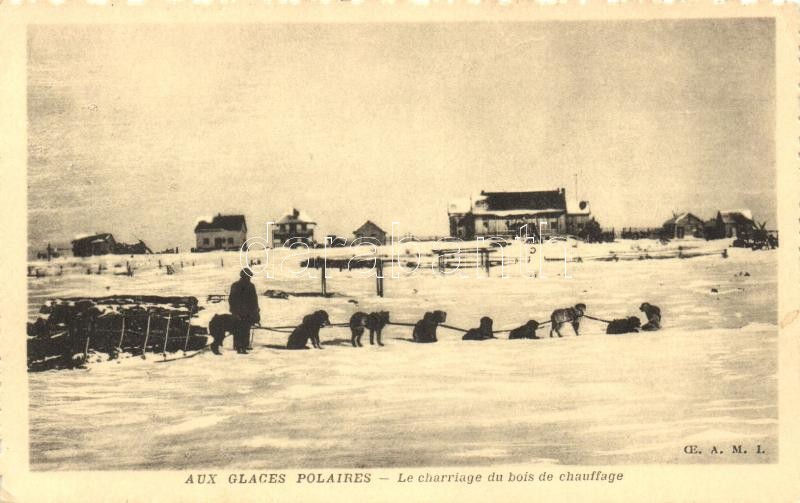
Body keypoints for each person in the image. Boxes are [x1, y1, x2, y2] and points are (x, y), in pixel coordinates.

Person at [229, 268, 260, 354]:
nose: (249, 279)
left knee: (247, 328)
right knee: (239, 329)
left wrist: (256, 311)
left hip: (249, 312)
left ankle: (245, 345)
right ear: (243, 276)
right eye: (247, 277)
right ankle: (239, 347)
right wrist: (234, 311)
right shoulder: (236, 286)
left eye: (249, 277)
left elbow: (254, 299)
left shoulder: (251, 286)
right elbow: (232, 299)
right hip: (239, 311)